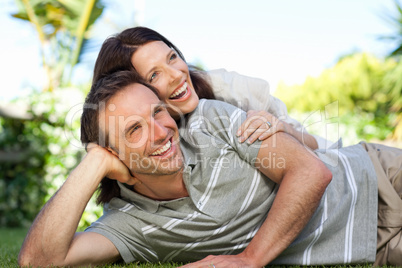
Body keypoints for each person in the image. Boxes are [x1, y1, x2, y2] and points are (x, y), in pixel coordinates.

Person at [18, 71, 401, 267]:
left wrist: (248, 260)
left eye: (157, 113)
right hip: (375, 245)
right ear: (112, 155)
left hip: (375, 173)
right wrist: (95, 162)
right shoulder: (131, 225)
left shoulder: (209, 123)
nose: (161, 132)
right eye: (134, 130)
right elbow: (39, 261)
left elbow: (310, 172)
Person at [92, 26, 330, 150]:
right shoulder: (141, 144)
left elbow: (320, 148)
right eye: (155, 75)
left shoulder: (228, 88)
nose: (177, 74)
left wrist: (282, 130)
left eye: (172, 57)